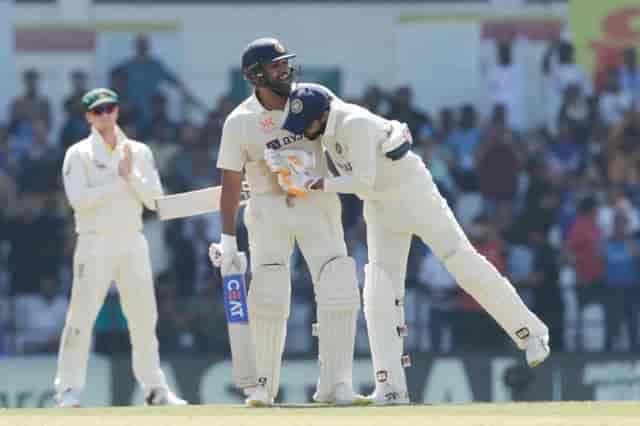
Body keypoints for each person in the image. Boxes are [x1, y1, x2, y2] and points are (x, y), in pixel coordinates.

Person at [273, 85, 551, 405]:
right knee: (378, 287)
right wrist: (285, 174)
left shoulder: (353, 123)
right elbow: (336, 170)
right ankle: (391, 388)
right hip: (379, 207)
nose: (304, 133)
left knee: (460, 261)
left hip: (412, 192)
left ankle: (532, 334)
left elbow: (364, 181)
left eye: (305, 125)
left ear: (321, 116)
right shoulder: (324, 129)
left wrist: (311, 183)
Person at [212, 37, 363, 407]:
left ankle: (336, 385)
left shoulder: (314, 96)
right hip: (268, 210)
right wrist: (228, 239)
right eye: (276, 66)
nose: (285, 70)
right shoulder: (240, 122)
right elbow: (230, 183)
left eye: (285, 63)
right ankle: (263, 386)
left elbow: (352, 128)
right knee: (269, 291)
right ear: (255, 75)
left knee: (338, 284)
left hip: (318, 203)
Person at [54, 88, 186, 408]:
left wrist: (132, 175)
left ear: (117, 110)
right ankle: (67, 391)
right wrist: (120, 179)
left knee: (144, 317)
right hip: (94, 240)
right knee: (81, 318)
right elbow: (79, 201)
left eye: (109, 108)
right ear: (88, 116)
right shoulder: (78, 153)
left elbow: (154, 199)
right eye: (97, 111)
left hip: (132, 239)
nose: (105, 115)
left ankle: (155, 389)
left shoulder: (138, 151)